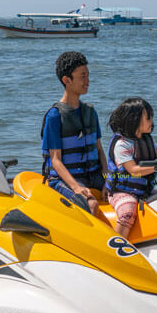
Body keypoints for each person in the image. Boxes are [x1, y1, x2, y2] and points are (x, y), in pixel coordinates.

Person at [40, 51, 108, 216]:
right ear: (67, 80)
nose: (87, 81)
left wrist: (107, 180)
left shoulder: (90, 112)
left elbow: (100, 151)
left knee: (129, 189)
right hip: (64, 180)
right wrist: (76, 188)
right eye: (82, 76)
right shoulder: (55, 116)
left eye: (88, 75)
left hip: (93, 177)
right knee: (91, 205)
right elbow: (56, 160)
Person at [105, 97, 157, 238]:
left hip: (144, 190)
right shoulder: (122, 145)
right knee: (128, 212)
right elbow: (134, 170)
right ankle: (114, 247)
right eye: (148, 118)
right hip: (121, 192)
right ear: (134, 120)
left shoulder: (148, 139)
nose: (152, 122)